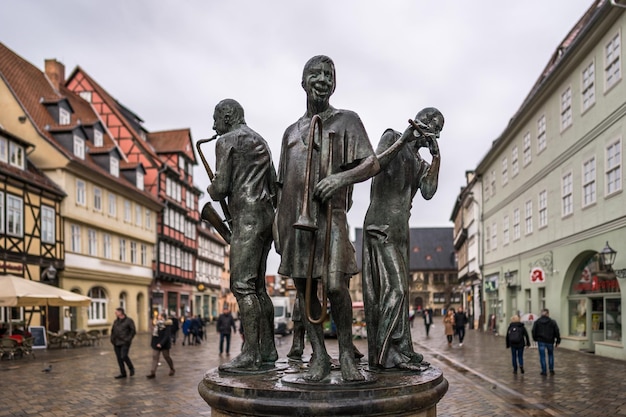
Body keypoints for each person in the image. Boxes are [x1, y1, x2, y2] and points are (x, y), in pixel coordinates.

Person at [275, 55, 380, 382]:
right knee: (304, 290)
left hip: (331, 215)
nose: (322, 79)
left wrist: (341, 179)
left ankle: (346, 352)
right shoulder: (291, 132)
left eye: (328, 74)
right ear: (303, 82)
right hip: (296, 221)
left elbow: (372, 163)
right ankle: (318, 355)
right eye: (315, 74)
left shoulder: (347, 120)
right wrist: (279, 231)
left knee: (335, 285)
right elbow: (282, 187)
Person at [362, 107, 443, 371]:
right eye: (433, 124)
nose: (435, 131)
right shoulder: (391, 136)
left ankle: (402, 350)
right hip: (380, 226)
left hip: (400, 232)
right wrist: (403, 140)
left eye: (438, 129)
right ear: (420, 121)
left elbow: (429, 192)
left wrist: (437, 158)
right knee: (394, 289)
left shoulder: (420, 163)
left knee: (401, 293)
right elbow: (375, 165)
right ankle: (386, 354)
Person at [207, 98, 278, 371]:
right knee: (259, 288)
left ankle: (250, 353)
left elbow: (220, 188)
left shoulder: (227, 141)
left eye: (216, 119)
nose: (213, 125)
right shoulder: (261, 141)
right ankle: (268, 350)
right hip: (265, 218)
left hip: (246, 219)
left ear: (227, 116)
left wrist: (213, 187)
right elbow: (273, 183)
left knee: (242, 286)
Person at [532, 308, 561, 375]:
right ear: (548, 314)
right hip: (550, 341)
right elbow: (557, 331)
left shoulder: (537, 322)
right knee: (550, 355)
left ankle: (544, 371)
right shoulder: (552, 322)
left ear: (541, 313)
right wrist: (558, 341)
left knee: (542, 356)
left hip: (541, 341)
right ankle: (551, 369)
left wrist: (535, 338)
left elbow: (534, 331)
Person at [146, 313, 175, 378]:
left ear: (162, 317)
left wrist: (161, 343)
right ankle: (152, 372)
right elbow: (154, 334)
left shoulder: (167, 324)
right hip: (156, 343)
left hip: (164, 344)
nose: (158, 316)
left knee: (166, 357)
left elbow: (167, 335)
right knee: (155, 357)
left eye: (159, 315)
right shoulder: (156, 323)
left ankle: (172, 368)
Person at [110, 307, 136, 379]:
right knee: (119, 358)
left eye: (116, 312)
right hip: (116, 342)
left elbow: (133, 331)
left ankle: (131, 368)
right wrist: (112, 339)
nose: (115, 313)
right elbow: (113, 330)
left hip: (125, 342)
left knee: (124, 356)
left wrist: (128, 339)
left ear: (121, 312)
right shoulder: (116, 321)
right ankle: (123, 373)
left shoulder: (129, 321)